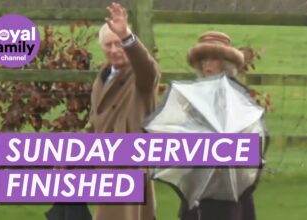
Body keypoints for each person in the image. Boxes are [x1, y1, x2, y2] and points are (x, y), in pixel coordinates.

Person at [89, 2, 160, 220]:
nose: (114, 50)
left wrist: (127, 36)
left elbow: (148, 67)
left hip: (129, 164)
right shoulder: (101, 78)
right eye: (108, 45)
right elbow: (95, 124)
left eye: (119, 44)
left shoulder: (141, 78)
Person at [179, 31, 258, 220]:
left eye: (213, 59)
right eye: (203, 59)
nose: (207, 64)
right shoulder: (194, 92)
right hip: (197, 171)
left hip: (227, 178)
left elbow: (247, 136)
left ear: (225, 63)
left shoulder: (237, 94)